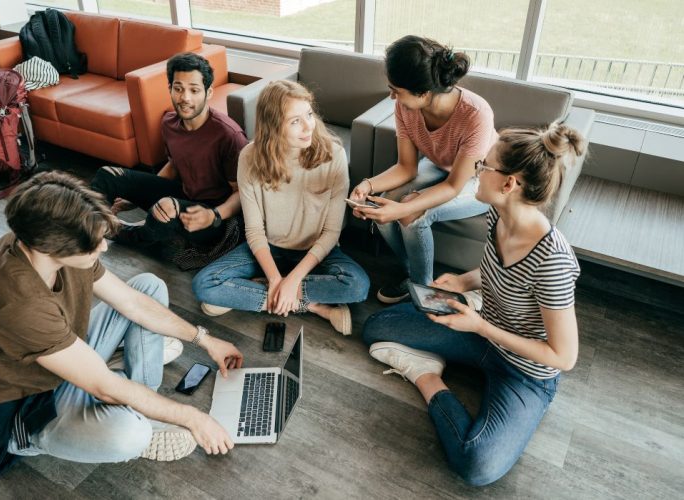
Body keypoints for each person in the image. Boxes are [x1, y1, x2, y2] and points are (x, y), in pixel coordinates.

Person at [362, 123, 584, 486]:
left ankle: (427, 376)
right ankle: (438, 355)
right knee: (376, 328)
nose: (476, 171)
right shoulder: (498, 214)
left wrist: (479, 326)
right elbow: (495, 267)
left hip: (524, 372)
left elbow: (563, 357)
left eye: (485, 166)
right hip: (481, 334)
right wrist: (465, 281)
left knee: (477, 465)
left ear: (509, 184)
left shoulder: (553, 262)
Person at [0, 171, 244, 475]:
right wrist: (192, 417)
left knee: (148, 286)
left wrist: (205, 339)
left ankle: (136, 394)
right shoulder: (20, 302)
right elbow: (103, 387)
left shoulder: (43, 232)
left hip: (59, 351)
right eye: (94, 246)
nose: (104, 248)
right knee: (130, 436)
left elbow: (131, 302)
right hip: (23, 403)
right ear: (53, 249)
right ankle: (35, 434)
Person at [192, 80, 370, 335]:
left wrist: (294, 279)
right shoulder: (249, 158)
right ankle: (313, 306)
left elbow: (331, 233)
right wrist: (277, 280)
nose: (309, 126)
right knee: (203, 285)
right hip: (269, 248)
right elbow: (254, 231)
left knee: (357, 286)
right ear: (274, 126)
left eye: (308, 114)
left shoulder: (334, 155)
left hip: (315, 251)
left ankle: (255, 293)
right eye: (295, 121)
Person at [350, 35, 497, 303]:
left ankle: (424, 290)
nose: (392, 95)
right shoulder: (404, 107)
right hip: (440, 165)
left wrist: (405, 208)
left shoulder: (476, 114)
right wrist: (368, 185)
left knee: (411, 214)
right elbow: (406, 168)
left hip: (481, 178)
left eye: (397, 89)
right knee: (382, 204)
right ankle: (411, 273)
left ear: (424, 92)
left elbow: (454, 185)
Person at [91, 52, 248, 267]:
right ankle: (90, 230)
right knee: (107, 175)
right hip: (184, 195)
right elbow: (175, 165)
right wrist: (134, 198)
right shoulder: (169, 123)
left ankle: (121, 232)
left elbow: (242, 193)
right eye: (178, 88)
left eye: (194, 90)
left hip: (215, 217)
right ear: (170, 89)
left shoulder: (229, 136)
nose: (185, 97)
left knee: (164, 210)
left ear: (208, 92)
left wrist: (214, 216)